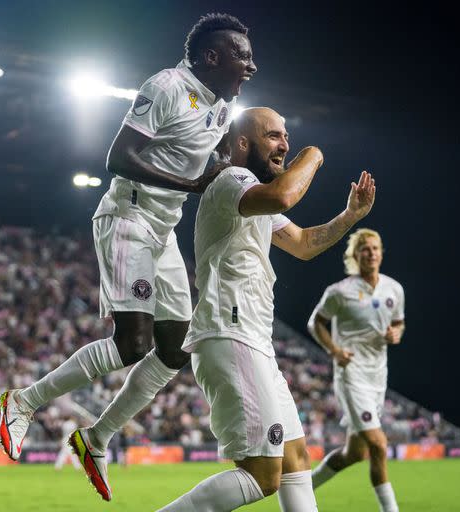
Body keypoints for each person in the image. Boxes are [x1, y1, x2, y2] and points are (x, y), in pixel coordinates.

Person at [0, 13, 259, 501]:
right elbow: (118, 157)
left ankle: (96, 437)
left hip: (164, 229)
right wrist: (193, 184)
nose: (252, 65)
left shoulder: (221, 107)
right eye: (242, 56)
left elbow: (209, 161)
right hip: (127, 218)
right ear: (211, 56)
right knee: (133, 343)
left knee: (175, 348)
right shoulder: (166, 87)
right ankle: (23, 401)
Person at [158, 107, 375, 511]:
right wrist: (313, 154)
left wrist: (349, 216)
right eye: (274, 136)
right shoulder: (233, 179)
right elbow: (285, 195)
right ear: (243, 144)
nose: (285, 144)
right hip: (230, 334)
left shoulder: (253, 197)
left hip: (254, 340)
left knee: (295, 462)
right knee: (262, 474)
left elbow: (305, 243)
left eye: (287, 137)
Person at [307, 228, 404, 512]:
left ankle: (304, 487)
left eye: (375, 248)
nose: (371, 253)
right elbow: (316, 323)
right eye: (365, 249)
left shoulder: (394, 289)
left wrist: (395, 334)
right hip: (351, 375)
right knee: (378, 444)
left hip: (378, 375)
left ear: (381, 252)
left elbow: (398, 324)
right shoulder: (340, 291)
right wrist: (335, 351)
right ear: (355, 255)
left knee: (354, 454)